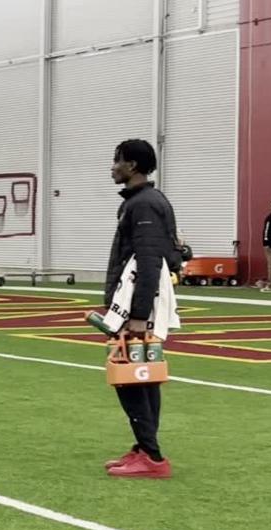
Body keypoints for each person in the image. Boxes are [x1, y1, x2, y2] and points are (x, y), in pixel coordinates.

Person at [102, 139, 179, 479]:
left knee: (130, 376)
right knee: (143, 376)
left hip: (141, 306)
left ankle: (152, 456)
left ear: (132, 166)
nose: (113, 167)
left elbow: (149, 261)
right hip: (144, 302)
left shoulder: (144, 205)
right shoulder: (149, 200)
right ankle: (145, 447)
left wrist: (136, 315)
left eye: (117, 161)